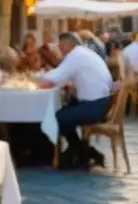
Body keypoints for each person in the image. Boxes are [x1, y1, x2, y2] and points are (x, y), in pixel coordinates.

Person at [38, 33, 114, 169]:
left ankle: (73, 153)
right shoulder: (84, 53)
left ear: (68, 44)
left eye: (60, 45)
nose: (59, 48)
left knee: (57, 117)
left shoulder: (75, 56)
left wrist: (36, 79)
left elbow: (57, 75)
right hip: (101, 102)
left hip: (93, 106)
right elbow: (66, 76)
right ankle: (84, 152)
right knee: (64, 113)